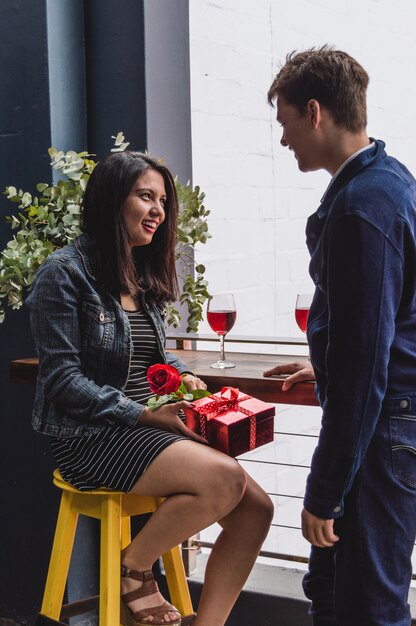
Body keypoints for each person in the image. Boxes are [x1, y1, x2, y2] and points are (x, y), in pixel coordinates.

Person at [26, 151, 274, 626]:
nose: (159, 209)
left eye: (163, 200)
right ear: (111, 200)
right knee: (225, 479)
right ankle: (135, 568)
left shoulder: (137, 272)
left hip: (146, 426)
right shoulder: (63, 274)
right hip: (90, 435)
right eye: (146, 196)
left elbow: (152, 357)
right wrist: (143, 415)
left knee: (256, 511)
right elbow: (62, 381)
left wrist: (185, 379)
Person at [265, 46, 416, 626]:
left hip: (378, 436)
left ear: (314, 111)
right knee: (332, 590)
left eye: (285, 125)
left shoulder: (362, 207)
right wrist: (326, 360)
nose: (284, 141)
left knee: (368, 609)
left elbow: (363, 369)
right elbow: (379, 330)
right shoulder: (387, 180)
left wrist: (323, 491)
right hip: (382, 426)